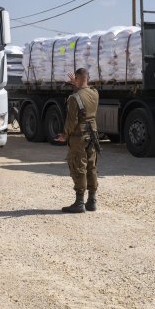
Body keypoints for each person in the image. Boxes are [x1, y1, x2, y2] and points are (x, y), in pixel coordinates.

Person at [54, 68, 100, 213]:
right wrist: (78, 84)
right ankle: (91, 201)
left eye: (75, 79)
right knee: (91, 166)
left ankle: (79, 202)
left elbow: (71, 121)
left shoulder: (74, 98)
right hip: (92, 136)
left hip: (78, 137)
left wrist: (64, 135)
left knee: (78, 166)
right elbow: (86, 90)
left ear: (78, 78)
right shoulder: (95, 93)